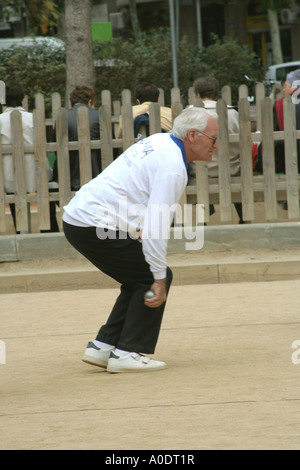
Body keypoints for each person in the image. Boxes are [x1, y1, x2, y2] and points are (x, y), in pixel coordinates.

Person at [62, 107, 218, 373]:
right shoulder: (173, 168)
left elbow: (134, 192)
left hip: (81, 219)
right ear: (193, 136)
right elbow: (156, 228)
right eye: (213, 138)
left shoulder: (159, 141)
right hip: (91, 223)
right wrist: (158, 277)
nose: (216, 145)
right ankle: (127, 352)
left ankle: (103, 347)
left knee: (137, 276)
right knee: (152, 276)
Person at [0, 81, 59, 232]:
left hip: (8, 170)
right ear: (22, 97)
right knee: (43, 193)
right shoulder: (32, 118)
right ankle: (47, 228)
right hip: (35, 167)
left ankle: (21, 229)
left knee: (15, 196)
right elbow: (43, 144)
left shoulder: (0, 120)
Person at [192, 76, 245, 223]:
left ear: (197, 94)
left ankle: (202, 218)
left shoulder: (188, 113)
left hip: (200, 171)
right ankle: (243, 217)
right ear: (216, 94)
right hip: (231, 169)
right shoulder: (232, 113)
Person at [52, 84, 102, 191]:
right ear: (90, 102)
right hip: (97, 173)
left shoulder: (62, 117)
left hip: (69, 176)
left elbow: (55, 148)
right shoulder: (99, 115)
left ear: (71, 103)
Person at [255, 69, 300, 175]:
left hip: (291, 162)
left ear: (295, 85)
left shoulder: (280, 105)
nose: (284, 90)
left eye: (286, 86)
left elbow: (273, 136)